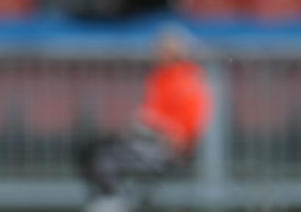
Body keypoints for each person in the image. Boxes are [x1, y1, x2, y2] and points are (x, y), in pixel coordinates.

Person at [78, 26, 211, 212]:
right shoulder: (161, 77)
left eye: (163, 49)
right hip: (150, 143)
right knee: (95, 149)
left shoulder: (187, 80)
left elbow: (182, 132)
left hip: (167, 152)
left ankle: (110, 201)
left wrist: (155, 126)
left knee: (102, 155)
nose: (156, 53)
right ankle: (110, 200)